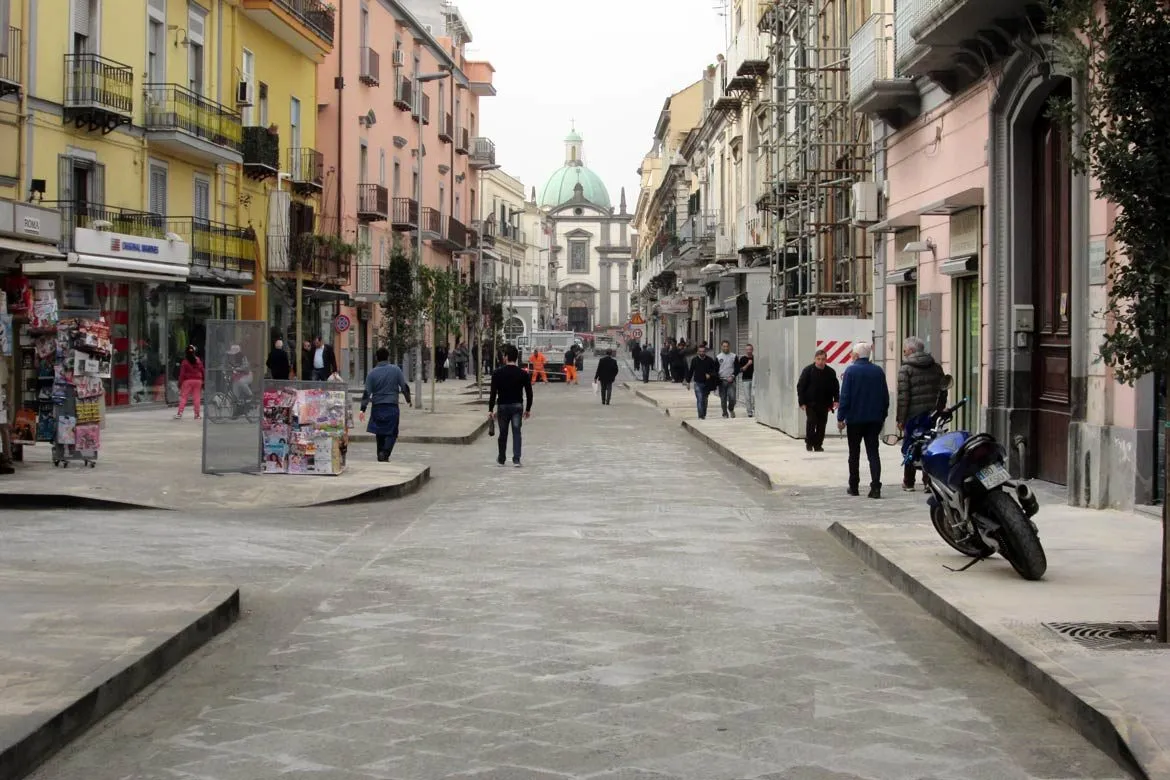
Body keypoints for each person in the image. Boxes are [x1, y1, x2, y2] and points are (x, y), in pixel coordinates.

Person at [836, 343, 889, 499]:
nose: (851, 356)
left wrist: (841, 417)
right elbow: (885, 397)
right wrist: (882, 415)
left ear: (856, 356)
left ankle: (854, 486)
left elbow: (845, 396)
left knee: (854, 453)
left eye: (852, 353)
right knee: (873, 453)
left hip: (855, 420)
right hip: (874, 420)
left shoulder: (851, 371)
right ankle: (876, 487)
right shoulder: (878, 371)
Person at [897, 336, 947, 491]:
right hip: (932, 415)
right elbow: (943, 390)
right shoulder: (936, 367)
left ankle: (909, 481)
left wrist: (901, 418)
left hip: (914, 415)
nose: (904, 352)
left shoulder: (906, 369)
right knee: (931, 445)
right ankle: (928, 481)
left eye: (905, 349)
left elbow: (903, 397)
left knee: (910, 446)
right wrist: (939, 409)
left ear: (911, 350)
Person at [359, 347, 411, 462]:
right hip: (391, 406)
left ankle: (380, 454)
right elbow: (404, 386)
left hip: (377, 407)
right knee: (392, 432)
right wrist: (408, 399)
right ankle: (385, 452)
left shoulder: (371, 373)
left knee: (380, 432)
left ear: (376, 358)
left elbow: (367, 393)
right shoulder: (396, 370)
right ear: (388, 357)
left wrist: (362, 409)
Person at [488, 343, 533, 466]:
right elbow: (529, 393)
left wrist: (490, 409)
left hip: (502, 406)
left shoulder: (497, 373)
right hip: (517, 406)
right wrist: (528, 408)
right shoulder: (523, 374)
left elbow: (493, 393)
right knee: (516, 432)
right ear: (516, 358)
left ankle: (502, 458)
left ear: (506, 357)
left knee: (503, 433)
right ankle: (516, 459)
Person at [797, 348, 840, 452]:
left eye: (823, 359)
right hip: (810, 403)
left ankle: (818, 444)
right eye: (819, 359)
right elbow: (800, 386)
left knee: (822, 425)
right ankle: (809, 442)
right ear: (815, 359)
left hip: (825, 403)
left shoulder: (830, 372)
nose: (821, 361)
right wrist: (801, 402)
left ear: (826, 360)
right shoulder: (808, 370)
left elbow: (835, 387)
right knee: (811, 422)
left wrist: (836, 400)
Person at [685, 342, 720, 420]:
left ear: (705, 352)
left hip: (707, 383)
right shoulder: (694, 360)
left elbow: (714, 371)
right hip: (698, 383)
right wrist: (688, 382)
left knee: (705, 400)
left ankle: (703, 414)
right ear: (698, 352)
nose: (702, 353)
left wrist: (710, 375)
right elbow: (691, 371)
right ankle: (700, 416)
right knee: (699, 399)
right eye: (700, 351)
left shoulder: (710, 360)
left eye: (703, 351)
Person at [175, 345, 204, 419]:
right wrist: (204, 381)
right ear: (194, 352)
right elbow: (202, 371)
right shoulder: (198, 360)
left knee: (184, 397)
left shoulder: (184, 362)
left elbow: (182, 374)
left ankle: (179, 413)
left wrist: (179, 383)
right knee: (197, 398)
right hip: (198, 381)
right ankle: (197, 415)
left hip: (187, 381)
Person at [226, 345, 253, 418]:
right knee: (235, 393)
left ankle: (249, 395)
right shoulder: (231, 358)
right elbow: (229, 366)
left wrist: (237, 368)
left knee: (241, 382)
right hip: (237, 377)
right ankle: (238, 410)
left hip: (246, 375)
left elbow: (245, 367)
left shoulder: (243, 357)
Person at [714, 340, 739, 418]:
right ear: (721, 347)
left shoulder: (734, 356)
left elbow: (737, 368)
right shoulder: (718, 357)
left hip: (731, 380)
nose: (725, 348)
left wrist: (733, 376)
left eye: (727, 346)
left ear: (729, 347)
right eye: (724, 346)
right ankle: (725, 413)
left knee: (732, 398)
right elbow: (715, 370)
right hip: (722, 380)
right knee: (723, 398)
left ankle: (731, 409)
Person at [737, 344, 756, 418]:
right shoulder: (743, 359)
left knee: (754, 396)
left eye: (750, 349)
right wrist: (748, 364)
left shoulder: (755, 358)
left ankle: (755, 409)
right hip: (746, 380)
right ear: (745, 350)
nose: (749, 351)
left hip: (754, 380)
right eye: (747, 349)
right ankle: (749, 412)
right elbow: (741, 370)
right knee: (747, 397)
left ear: (752, 350)